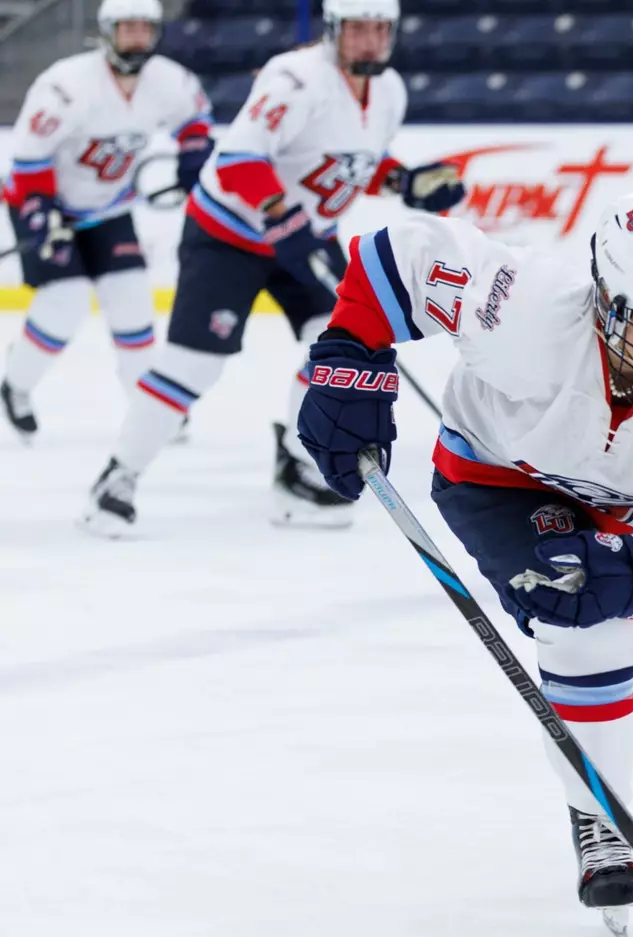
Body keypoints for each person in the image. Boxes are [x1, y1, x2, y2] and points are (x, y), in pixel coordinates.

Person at [292, 190, 633, 937]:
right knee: (584, 619)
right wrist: (351, 357)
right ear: (608, 304)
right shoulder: (528, 308)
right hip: (500, 484)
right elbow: (401, 257)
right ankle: (598, 813)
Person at [80, 0, 466, 536]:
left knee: (343, 346)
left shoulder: (389, 90)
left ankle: (297, 466)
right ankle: (118, 477)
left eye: (381, 29)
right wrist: (282, 216)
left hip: (304, 235)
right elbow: (238, 159)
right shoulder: (295, 79)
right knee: (193, 366)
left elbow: (350, 160)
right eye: (358, 29)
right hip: (229, 237)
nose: (371, 41)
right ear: (333, 30)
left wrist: (404, 181)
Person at [1, 0, 213, 442]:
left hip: (108, 209)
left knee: (132, 299)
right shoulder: (66, 85)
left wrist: (193, 157)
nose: (136, 37)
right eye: (127, 28)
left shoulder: (168, 80)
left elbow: (195, 120)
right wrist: (41, 212)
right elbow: (29, 158)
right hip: (40, 202)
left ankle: (148, 405)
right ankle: (16, 385)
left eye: (144, 28)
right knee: (65, 301)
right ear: (107, 31)